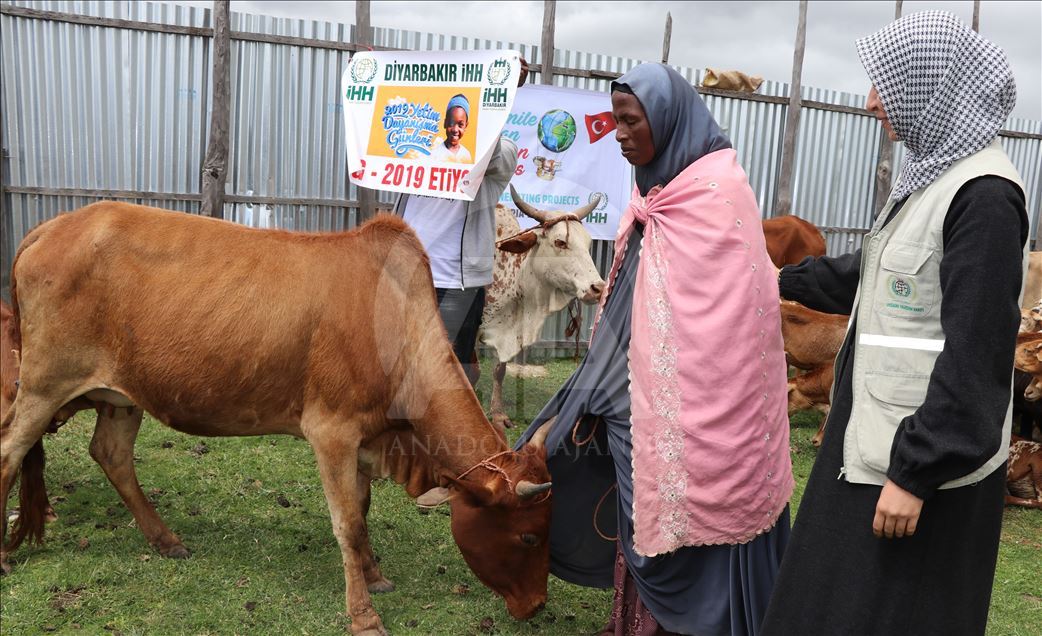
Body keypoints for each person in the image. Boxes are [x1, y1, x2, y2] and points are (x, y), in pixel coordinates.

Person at [761, 12, 1027, 636]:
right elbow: (872, 271)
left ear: (934, 88)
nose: (872, 101)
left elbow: (977, 354)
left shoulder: (984, 198)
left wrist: (916, 472)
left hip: (918, 471)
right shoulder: (932, 179)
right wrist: (775, 280)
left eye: (886, 83)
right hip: (877, 443)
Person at [516, 62, 793, 636]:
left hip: (711, 413)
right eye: (615, 121)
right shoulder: (652, 193)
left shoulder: (717, 194)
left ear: (665, 120)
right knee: (638, 510)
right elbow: (632, 300)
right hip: (638, 398)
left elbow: (734, 321)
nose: (620, 134)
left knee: (699, 514)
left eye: (631, 121)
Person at [394, 62, 527, 385]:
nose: (455, 129)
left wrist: (503, 90)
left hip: (456, 285)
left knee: (450, 375)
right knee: (400, 367)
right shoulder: (420, 153)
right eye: (451, 122)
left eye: (462, 123)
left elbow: (492, 153)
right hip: (404, 274)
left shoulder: (501, 153)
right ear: (443, 122)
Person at [429, 94, 473, 163]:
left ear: (466, 126)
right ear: (445, 123)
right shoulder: (435, 154)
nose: (455, 130)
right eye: (451, 123)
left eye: (460, 125)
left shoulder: (466, 155)